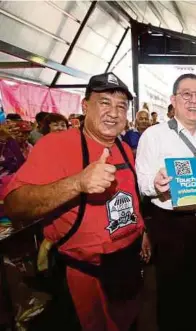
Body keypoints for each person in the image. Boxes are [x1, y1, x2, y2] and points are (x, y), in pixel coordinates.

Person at [4, 72, 150, 331]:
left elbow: (127, 198)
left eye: (121, 106)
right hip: (85, 275)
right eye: (104, 102)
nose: (114, 113)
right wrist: (77, 183)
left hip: (127, 265)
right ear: (85, 106)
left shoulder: (123, 148)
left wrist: (142, 231)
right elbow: (15, 205)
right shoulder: (56, 145)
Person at [136, 73, 196, 331]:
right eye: (187, 94)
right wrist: (154, 185)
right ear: (173, 100)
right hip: (170, 225)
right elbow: (143, 181)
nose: (194, 100)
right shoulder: (154, 135)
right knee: (171, 291)